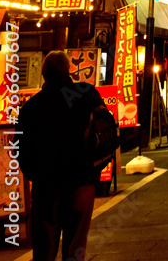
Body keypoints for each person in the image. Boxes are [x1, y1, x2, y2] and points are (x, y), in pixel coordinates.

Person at [18, 50, 107, 261]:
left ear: (43, 73)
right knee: (75, 248)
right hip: (81, 181)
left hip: (46, 186)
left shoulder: (31, 107)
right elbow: (106, 131)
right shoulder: (86, 93)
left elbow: (22, 150)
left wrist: (36, 176)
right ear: (68, 69)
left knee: (44, 250)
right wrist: (95, 169)